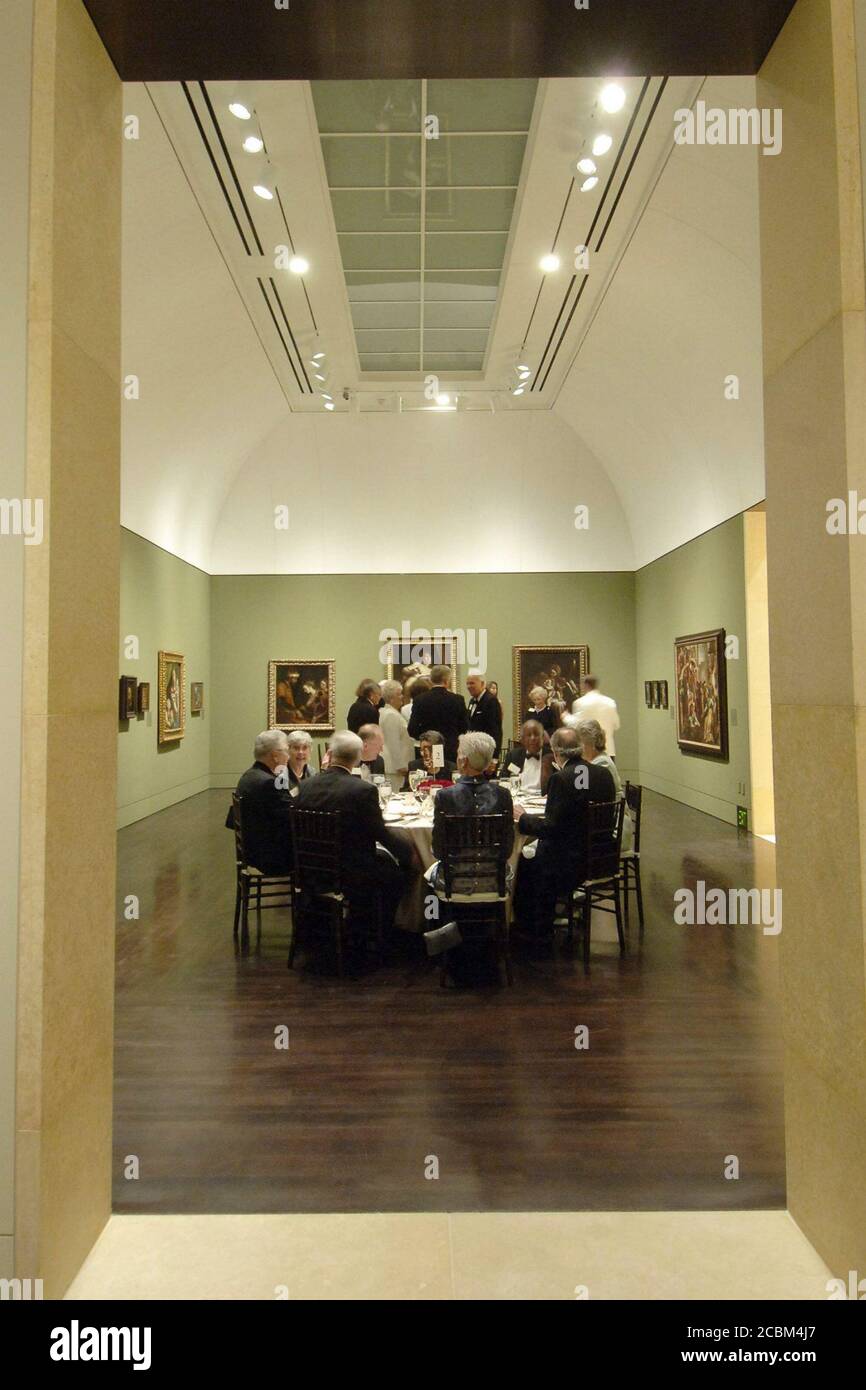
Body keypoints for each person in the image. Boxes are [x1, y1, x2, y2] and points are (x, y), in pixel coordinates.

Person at [295, 730, 414, 934]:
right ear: (358, 757)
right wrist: (409, 853)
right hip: (349, 871)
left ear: (330, 754)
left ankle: (332, 924)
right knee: (398, 875)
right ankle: (379, 932)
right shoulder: (362, 790)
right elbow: (380, 834)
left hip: (309, 868)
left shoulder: (305, 786)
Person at [512, 727, 615, 937]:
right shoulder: (603, 774)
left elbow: (550, 828)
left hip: (569, 863)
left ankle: (534, 928)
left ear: (555, 752)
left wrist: (522, 818)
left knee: (521, 863)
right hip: (601, 857)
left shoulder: (561, 779)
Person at [228, 729, 294, 875]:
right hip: (269, 858)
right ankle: (313, 895)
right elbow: (293, 815)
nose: (289, 756)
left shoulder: (250, 775)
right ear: (275, 756)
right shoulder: (269, 783)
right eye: (287, 751)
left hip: (253, 851)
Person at [408, 664, 468, 763]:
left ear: (431, 680)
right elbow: (464, 728)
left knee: (429, 776)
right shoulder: (457, 700)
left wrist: (425, 737)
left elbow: (412, 729)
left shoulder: (420, 700)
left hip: (428, 749)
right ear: (446, 680)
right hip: (450, 750)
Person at [570, 674, 620, 759]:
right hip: (608, 749)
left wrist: (565, 717)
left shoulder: (580, 703)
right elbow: (616, 725)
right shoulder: (610, 702)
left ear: (585, 685)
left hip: (588, 752)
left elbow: (576, 725)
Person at [378, 679, 415, 789]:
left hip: (393, 767)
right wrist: (401, 766)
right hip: (393, 768)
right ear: (391, 698)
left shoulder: (388, 712)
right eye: (399, 694)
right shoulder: (390, 715)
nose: (402, 697)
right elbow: (392, 742)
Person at [499, 720, 555, 793]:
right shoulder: (513, 756)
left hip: (544, 799)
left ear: (543, 737)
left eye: (536, 734)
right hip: (519, 798)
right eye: (529, 735)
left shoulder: (552, 756)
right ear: (522, 739)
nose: (532, 738)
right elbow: (503, 778)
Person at [466, 673, 503, 753]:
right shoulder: (472, 701)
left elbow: (495, 730)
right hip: (474, 751)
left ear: (482, 684)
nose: (468, 686)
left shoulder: (491, 701)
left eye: (472, 683)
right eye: (467, 684)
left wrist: (494, 757)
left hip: (486, 752)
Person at [285, 729, 316, 793]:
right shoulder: (280, 773)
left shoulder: (312, 772)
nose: (300, 752)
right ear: (288, 750)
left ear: (310, 750)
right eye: (296, 748)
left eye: (305, 748)